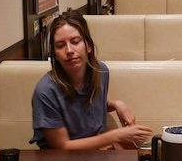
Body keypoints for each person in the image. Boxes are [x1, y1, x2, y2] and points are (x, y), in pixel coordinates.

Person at [31, 9, 154, 150]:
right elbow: (62, 147)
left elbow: (86, 107)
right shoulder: (45, 91)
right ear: (54, 54)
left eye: (75, 42)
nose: (69, 50)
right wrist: (115, 136)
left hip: (96, 156)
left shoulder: (100, 71)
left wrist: (116, 104)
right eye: (60, 45)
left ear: (88, 46)